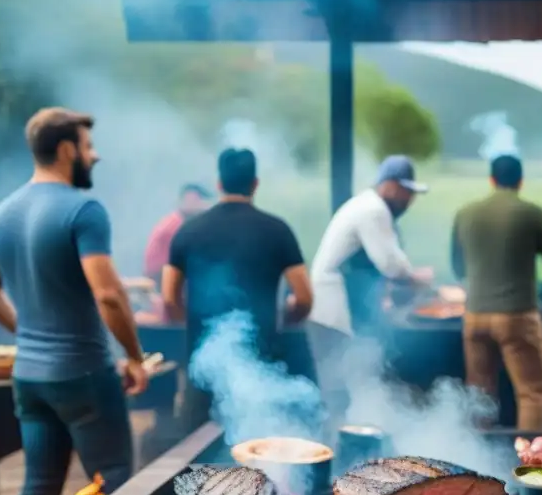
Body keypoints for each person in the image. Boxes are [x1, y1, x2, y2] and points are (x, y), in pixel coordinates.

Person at [0, 107, 147, 495]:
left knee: (37, 491)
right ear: (65, 149)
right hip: (84, 375)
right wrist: (134, 357)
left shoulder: (1, 214)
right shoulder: (83, 209)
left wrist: (28, 333)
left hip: (30, 378)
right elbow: (109, 295)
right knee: (111, 483)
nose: (94, 156)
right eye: (88, 146)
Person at [162, 148, 313, 435]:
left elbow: (170, 298)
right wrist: (284, 319)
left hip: (202, 361)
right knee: (257, 444)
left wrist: (196, 326)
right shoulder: (278, 230)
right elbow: (304, 298)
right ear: (255, 184)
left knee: (194, 453)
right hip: (261, 361)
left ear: (219, 184)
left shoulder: (188, 231)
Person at [308, 156, 432, 421]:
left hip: (338, 308)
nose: (409, 199)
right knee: (340, 387)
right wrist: (417, 277)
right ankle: (341, 448)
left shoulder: (367, 206)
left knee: (348, 383)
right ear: (388, 185)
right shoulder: (373, 210)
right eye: (405, 191)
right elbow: (390, 264)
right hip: (333, 312)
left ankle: (351, 438)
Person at [451, 155, 542, 431]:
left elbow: (457, 267)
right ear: (520, 181)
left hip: (475, 315)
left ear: (491, 180)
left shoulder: (465, 213)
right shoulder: (532, 212)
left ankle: (474, 464)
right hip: (517, 315)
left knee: (479, 395)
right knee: (532, 394)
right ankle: (534, 468)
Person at [143, 184, 213, 285]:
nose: (205, 207)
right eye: (200, 201)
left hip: (166, 274)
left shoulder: (178, 221)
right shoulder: (174, 226)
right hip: (160, 278)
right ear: (190, 200)